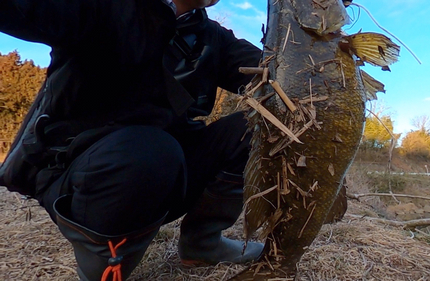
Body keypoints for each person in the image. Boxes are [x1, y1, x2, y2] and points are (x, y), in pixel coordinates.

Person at [0, 0, 264, 280]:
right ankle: (106, 268)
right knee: (150, 151)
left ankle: (203, 242)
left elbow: (280, 76)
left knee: (258, 125)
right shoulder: (104, 7)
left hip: (168, 172)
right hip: (85, 177)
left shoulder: (212, 37)